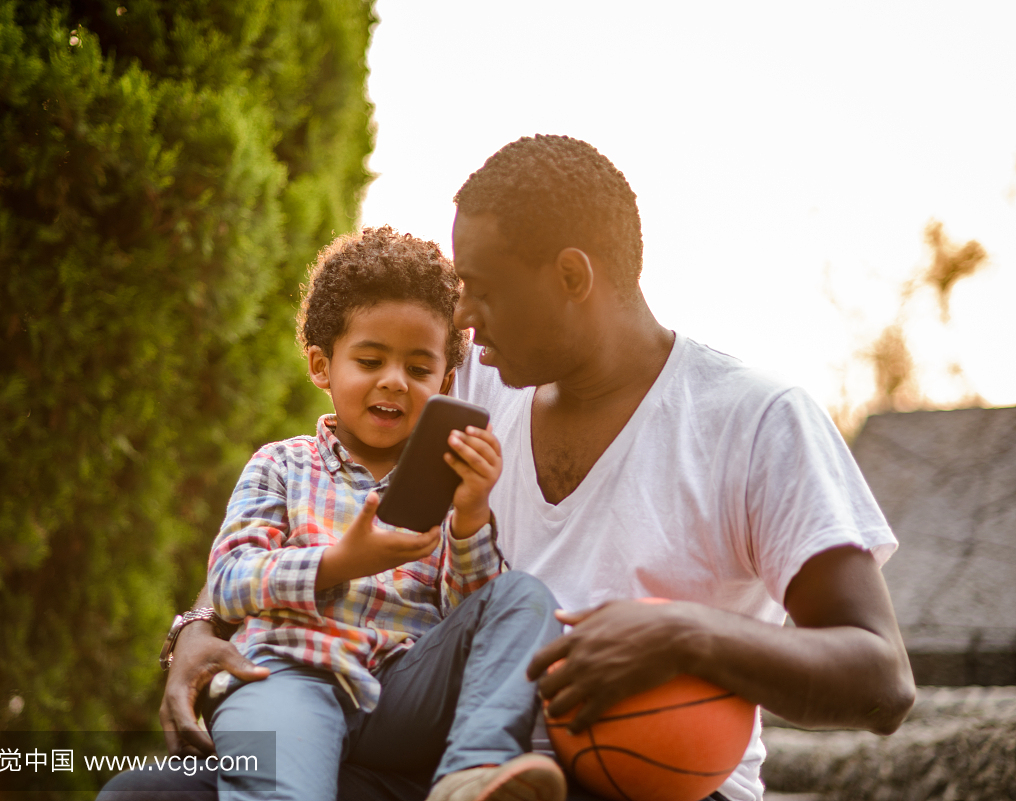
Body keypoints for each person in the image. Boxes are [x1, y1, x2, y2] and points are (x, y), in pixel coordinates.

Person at [156, 136, 916, 801]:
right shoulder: (475, 386)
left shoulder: (755, 419)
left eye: (481, 290)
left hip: (649, 777)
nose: (461, 319)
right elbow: (320, 498)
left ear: (573, 277)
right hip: (451, 751)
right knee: (146, 793)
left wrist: (687, 635)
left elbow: (881, 679)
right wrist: (199, 626)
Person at [101, 227, 566, 801]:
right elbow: (228, 581)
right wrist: (340, 561)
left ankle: (474, 774)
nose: (393, 380)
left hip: (398, 694)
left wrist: (470, 514)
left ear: (446, 382)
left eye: (419, 370)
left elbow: (468, 613)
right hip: (289, 676)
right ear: (322, 365)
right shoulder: (283, 465)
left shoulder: (444, 484)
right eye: (370, 360)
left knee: (522, 595)